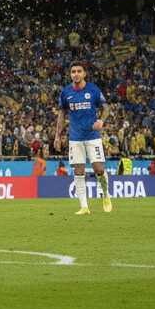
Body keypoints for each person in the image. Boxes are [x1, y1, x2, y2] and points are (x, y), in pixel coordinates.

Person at [55, 61, 112, 215]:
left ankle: (106, 195)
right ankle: (84, 207)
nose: (76, 74)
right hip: (75, 137)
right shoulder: (66, 92)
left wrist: (101, 120)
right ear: (70, 74)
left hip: (93, 136)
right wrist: (57, 136)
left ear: (84, 73)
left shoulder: (93, 90)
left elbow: (106, 108)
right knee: (78, 171)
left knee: (98, 169)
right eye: (73, 71)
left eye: (79, 71)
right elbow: (61, 114)